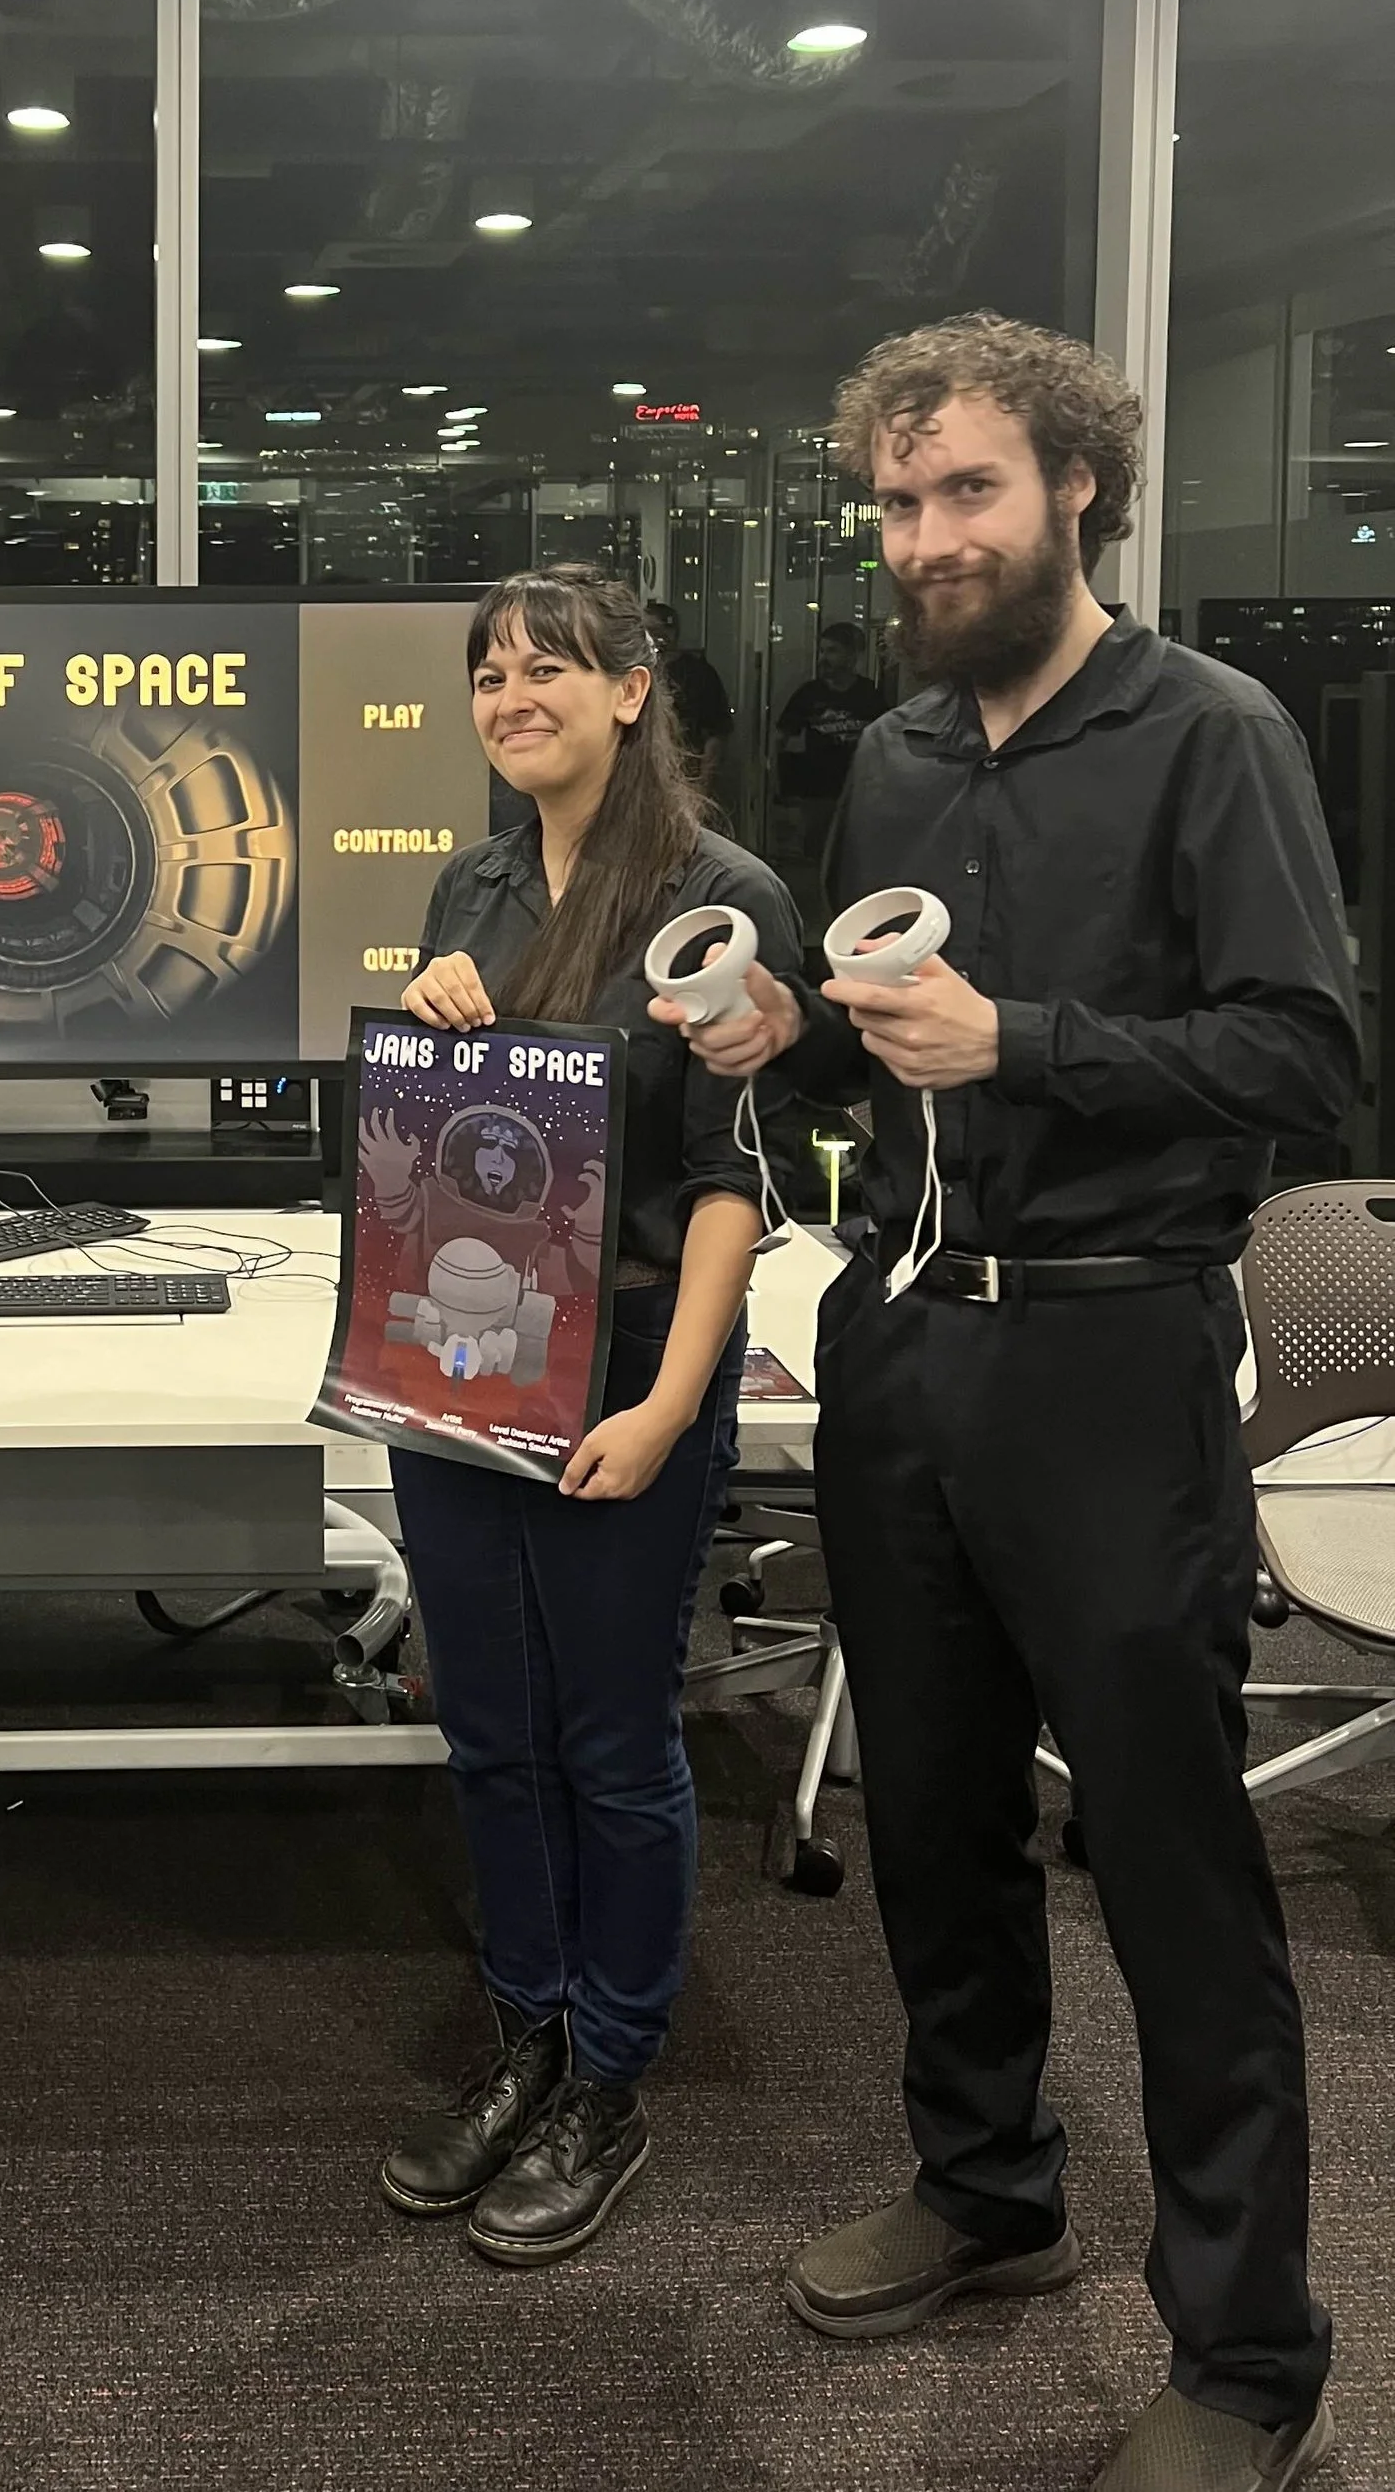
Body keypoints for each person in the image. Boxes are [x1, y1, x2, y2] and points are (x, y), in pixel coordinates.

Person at [664, 316, 1352, 2492]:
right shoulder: (895, 754)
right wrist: (798, 1033)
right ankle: (983, 2185)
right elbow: (889, 1048)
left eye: (963, 488)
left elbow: (1303, 1061)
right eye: (892, 501)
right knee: (932, 1813)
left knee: (1163, 1851)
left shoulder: (1206, 732)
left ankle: (1244, 2356)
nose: (923, 535)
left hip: (1110, 1344)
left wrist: (1030, 1040)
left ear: (1075, 488)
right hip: (902, 1334)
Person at [372, 562, 803, 2266]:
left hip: (627, 1361)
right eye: (489, 670)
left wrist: (676, 1401)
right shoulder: (468, 883)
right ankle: (529, 2032)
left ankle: (611, 2075)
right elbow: (438, 1140)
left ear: (632, 690)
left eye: (548, 665)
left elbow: (727, 1182)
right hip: (462, 1357)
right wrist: (422, 1030)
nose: (511, 692)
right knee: (487, 1725)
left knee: (613, 1739)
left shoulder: (718, 894)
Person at [770, 621, 889, 924]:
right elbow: (782, 737)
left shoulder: (869, 695)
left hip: (857, 791)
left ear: (852, 655)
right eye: (822, 650)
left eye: (833, 651)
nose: (824, 657)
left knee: (852, 859)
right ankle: (816, 920)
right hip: (816, 791)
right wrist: (782, 783)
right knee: (815, 856)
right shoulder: (809, 695)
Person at [642, 602, 733, 801]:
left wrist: (703, 783)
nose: (653, 639)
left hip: (684, 774)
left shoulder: (698, 673)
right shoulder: (633, 671)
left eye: (658, 631)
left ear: (673, 633)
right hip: (639, 772)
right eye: (646, 631)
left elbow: (717, 731)